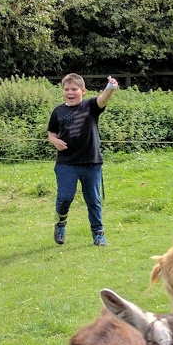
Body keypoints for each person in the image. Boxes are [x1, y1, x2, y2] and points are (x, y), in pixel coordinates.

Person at [48, 73, 118, 247]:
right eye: (66, 89)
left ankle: (98, 234)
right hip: (66, 163)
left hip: (91, 163)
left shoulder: (90, 106)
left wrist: (110, 88)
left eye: (74, 89)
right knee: (65, 197)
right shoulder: (58, 111)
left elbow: (103, 99)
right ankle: (60, 224)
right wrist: (55, 141)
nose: (70, 92)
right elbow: (51, 133)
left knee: (93, 200)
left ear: (83, 91)